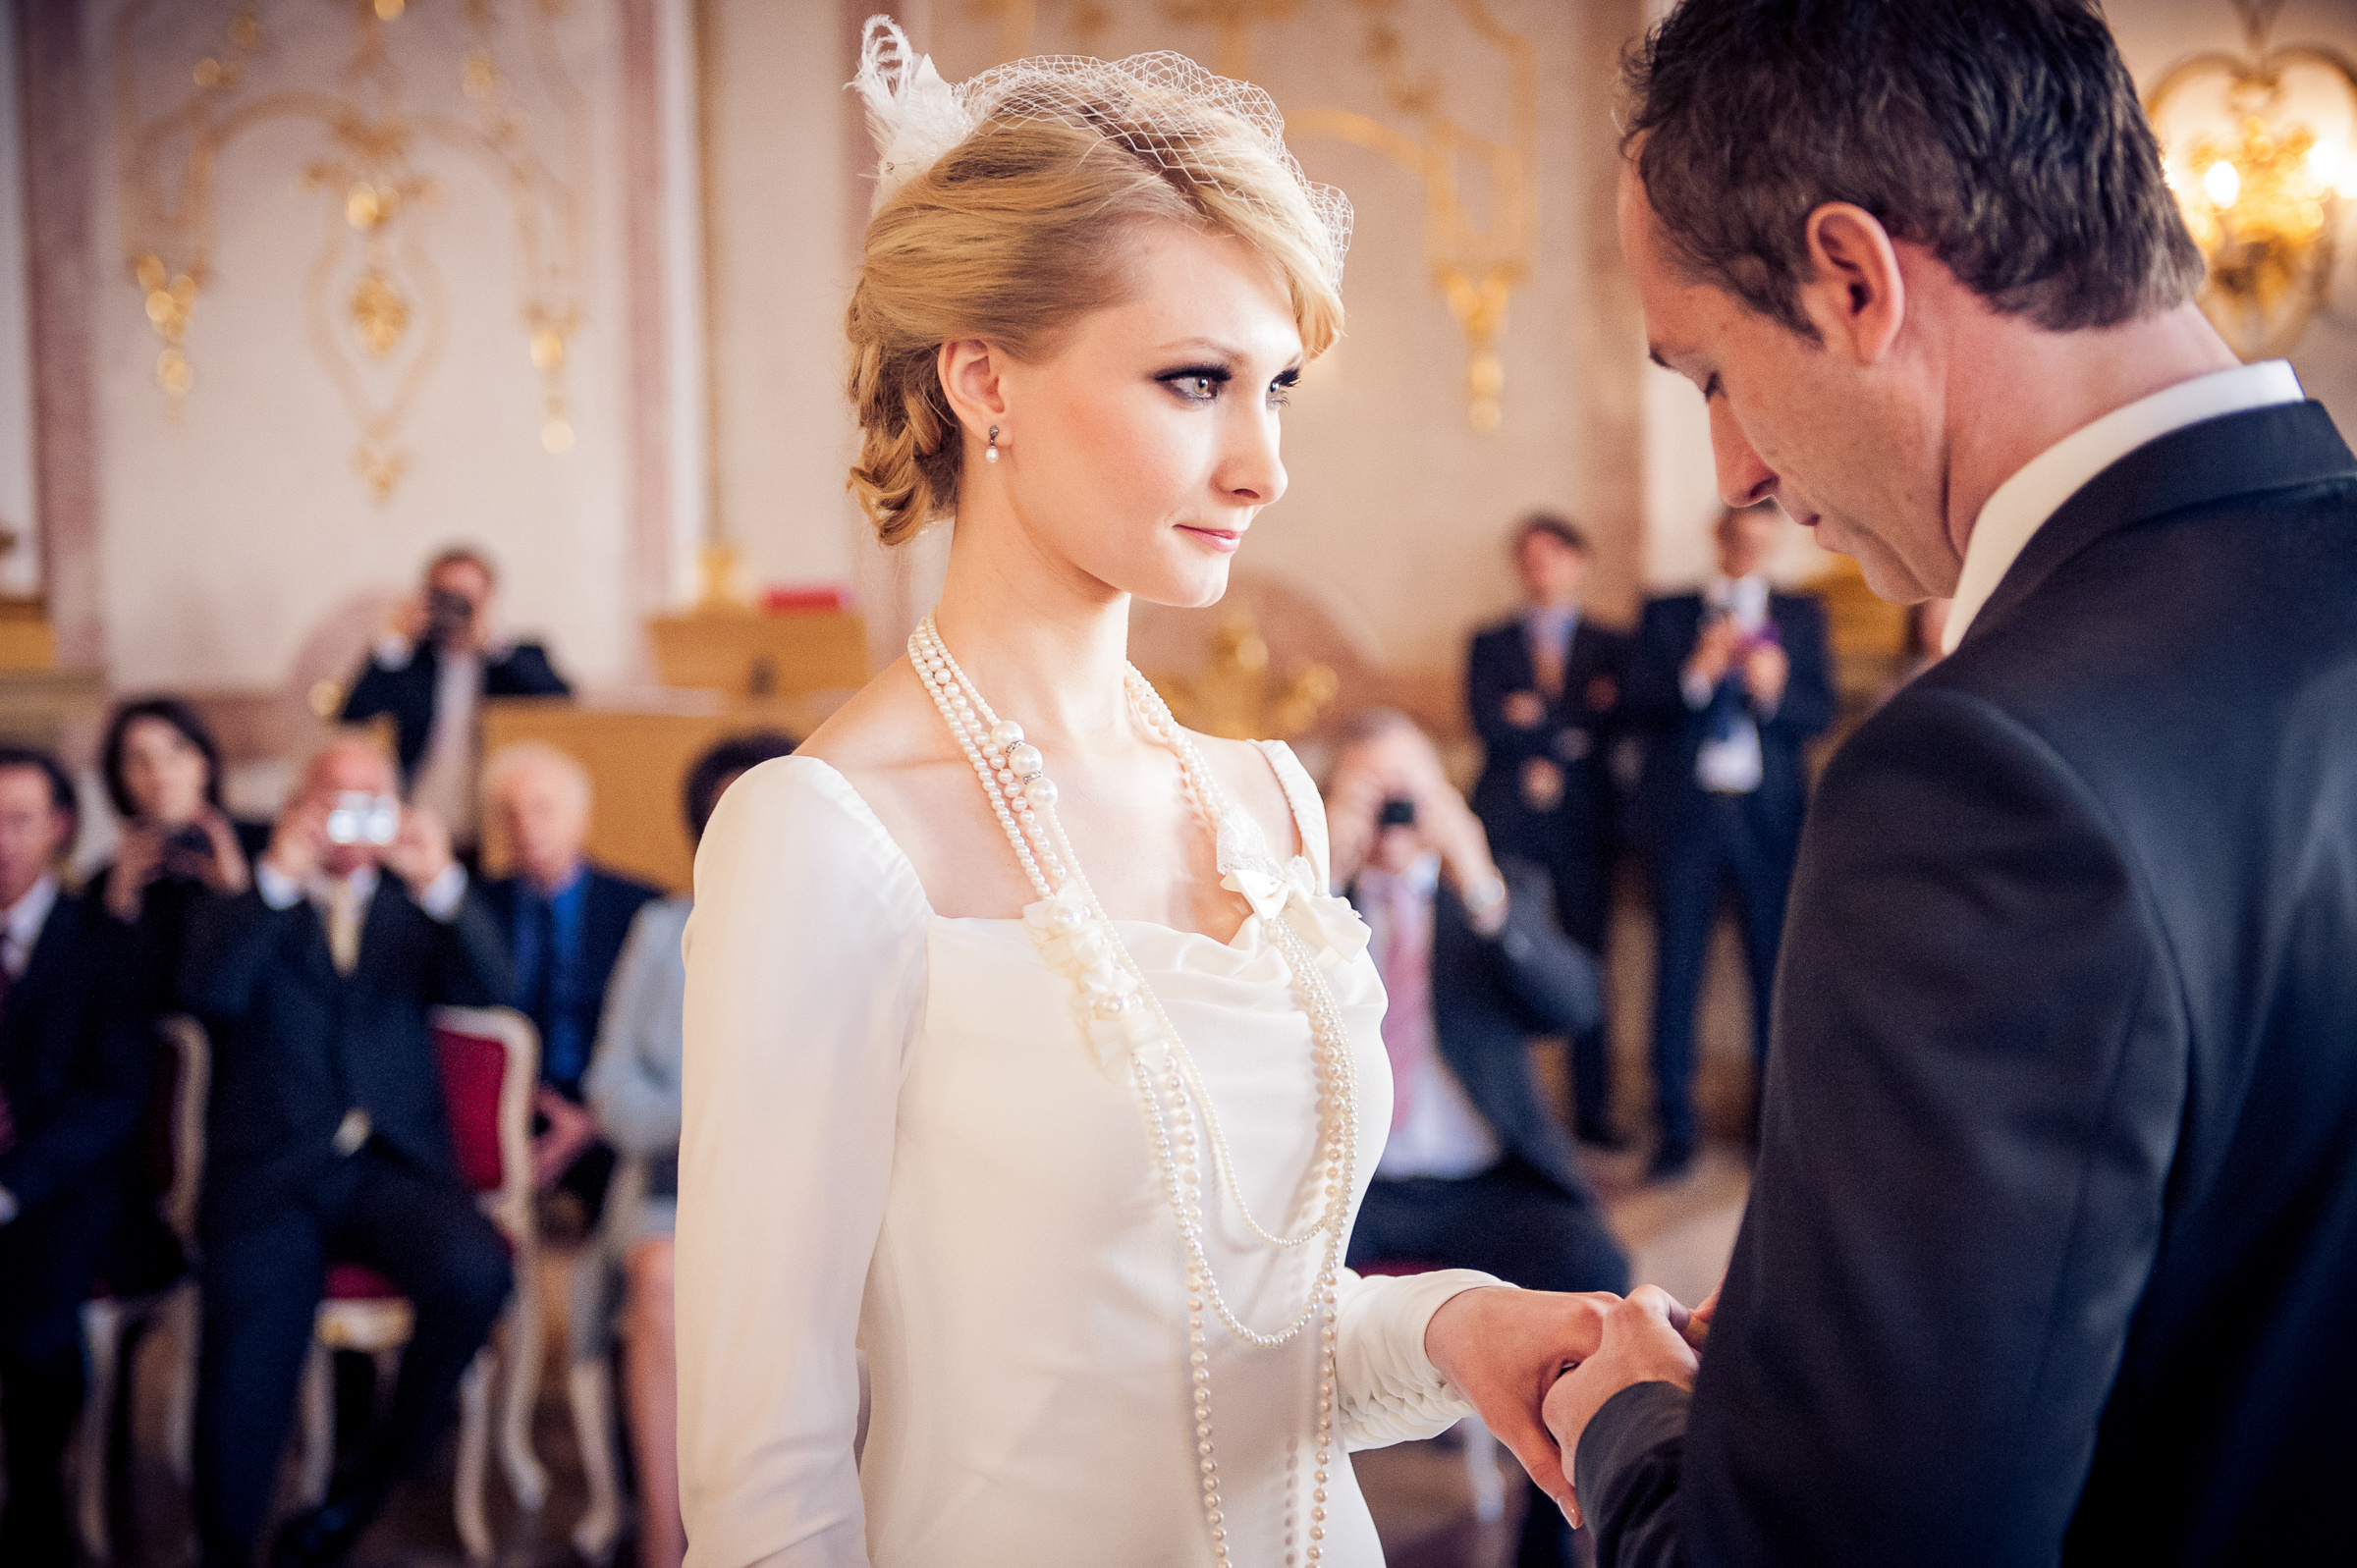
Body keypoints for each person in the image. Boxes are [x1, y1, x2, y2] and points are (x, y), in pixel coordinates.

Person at [677, 22, 1617, 1567]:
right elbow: (766, 1485)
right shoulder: (827, 841)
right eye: (1196, 382)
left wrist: (1457, 1324)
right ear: (984, 378)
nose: (1262, 465)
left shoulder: (1269, 803)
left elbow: (1248, 1346)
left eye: (1279, 390)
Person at [1544, 2, 2357, 1563]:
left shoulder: (1985, 776)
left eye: (1710, 371)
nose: (1735, 475)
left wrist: (1633, 1424)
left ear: (1854, 281)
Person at [180, 734, 514, 1568]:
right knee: (247, 1353)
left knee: (477, 1270)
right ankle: (227, 1547)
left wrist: (439, 879)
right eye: (333, 793)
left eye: (372, 795)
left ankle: (370, 1480)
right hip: (270, 1174)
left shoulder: (414, 907)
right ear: (299, 803)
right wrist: (277, 879)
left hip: (392, 1168)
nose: (351, 812)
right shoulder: (245, 898)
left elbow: (496, 987)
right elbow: (210, 995)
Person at [1328, 710, 1629, 1568]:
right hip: (1357, 1188)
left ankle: (1551, 1544)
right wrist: (1318, 872)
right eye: (1370, 792)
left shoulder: (1494, 893)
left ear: (1446, 800)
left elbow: (1575, 1005)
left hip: (1484, 1181)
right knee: (1250, 1287)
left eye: (1408, 795)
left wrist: (1481, 884)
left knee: (1593, 1272)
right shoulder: (1304, 905)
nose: (1393, 816)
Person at [583, 730, 797, 1568]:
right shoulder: (662, 930)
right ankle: (659, 1542)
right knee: (663, 1276)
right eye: (724, 818)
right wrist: (710, 1107)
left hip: (809, 1184)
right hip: (681, 1182)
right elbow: (611, 1089)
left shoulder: (851, 923)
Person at [1623, 500, 1832, 1179]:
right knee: (1675, 971)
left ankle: (1770, 1131)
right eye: (1737, 538)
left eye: (1759, 541)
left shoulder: (1801, 615)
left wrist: (1774, 692)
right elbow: (1634, 704)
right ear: (1718, 538)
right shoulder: (1668, 612)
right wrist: (1697, 674)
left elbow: (1819, 710)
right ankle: (1674, 1128)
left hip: (1767, 819)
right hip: (1686, 816)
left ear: (1772, 544)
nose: (1747, 550)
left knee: (1771, 972)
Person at [0, 747, 147, 1566]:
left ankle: (36, 1504)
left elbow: (112, 1099)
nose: (0, 841)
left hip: (61, 1189)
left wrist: (10, 1188)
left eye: (19, 819)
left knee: (36, 1337)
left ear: (58, 828)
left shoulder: (104, 944)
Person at [1465, 514, 1629, 1147]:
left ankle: (1595, 1111)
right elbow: (1487, 720)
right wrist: (1567, 726)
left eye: (1551, 555)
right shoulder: (1490, 641)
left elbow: (1616, 719)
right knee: (1505, 955)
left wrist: (1540, 727)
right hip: (1509, 822)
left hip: (1587, 822)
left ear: (1577, 561)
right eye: (1527, 557)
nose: (1539, 568)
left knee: (1588, 962)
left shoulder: (1610, 643)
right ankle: (1510, 1108)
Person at [479, 741, 659, 1231]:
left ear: (582, 819)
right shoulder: (474, 910)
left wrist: (589, 1121)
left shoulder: (642, 910)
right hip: (507, 1108)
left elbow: (657, 1041)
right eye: (509, 814)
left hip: (607, 1113)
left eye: (543, 810)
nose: (526, 827)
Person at [340, 545, 570, 848]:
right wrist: (397, 640)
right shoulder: (411, 661)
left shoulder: (515, 656)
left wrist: (490, 642)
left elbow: (560, 703)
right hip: (420, 812)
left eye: (465, 599)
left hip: (492, 821)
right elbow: (354, 713)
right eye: (444, 596)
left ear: (488, 599)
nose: (454, 609)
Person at [94, 696, 260, 1011]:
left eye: (176, 752)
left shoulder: (262, 845)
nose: (159, 772)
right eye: (139, 759)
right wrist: (120, 906)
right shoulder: (106, 882)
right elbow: (108, 998)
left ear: (204, 763)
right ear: (119, 778)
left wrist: (238, 893)